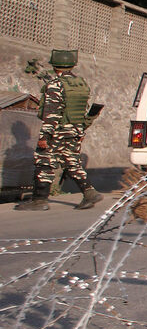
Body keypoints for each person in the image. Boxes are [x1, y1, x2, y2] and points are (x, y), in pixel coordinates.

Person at [15, 49, 103, 211]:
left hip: (57, 131)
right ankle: (89, 192)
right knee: (71, 162)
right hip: (75, 130)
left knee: (44, 162)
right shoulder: (80, 84)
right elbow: (81, 110)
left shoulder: (55, 85)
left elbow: (52, 112)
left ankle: (39, 201)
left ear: (55, 65)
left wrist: (45, 136)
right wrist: (81, 131)